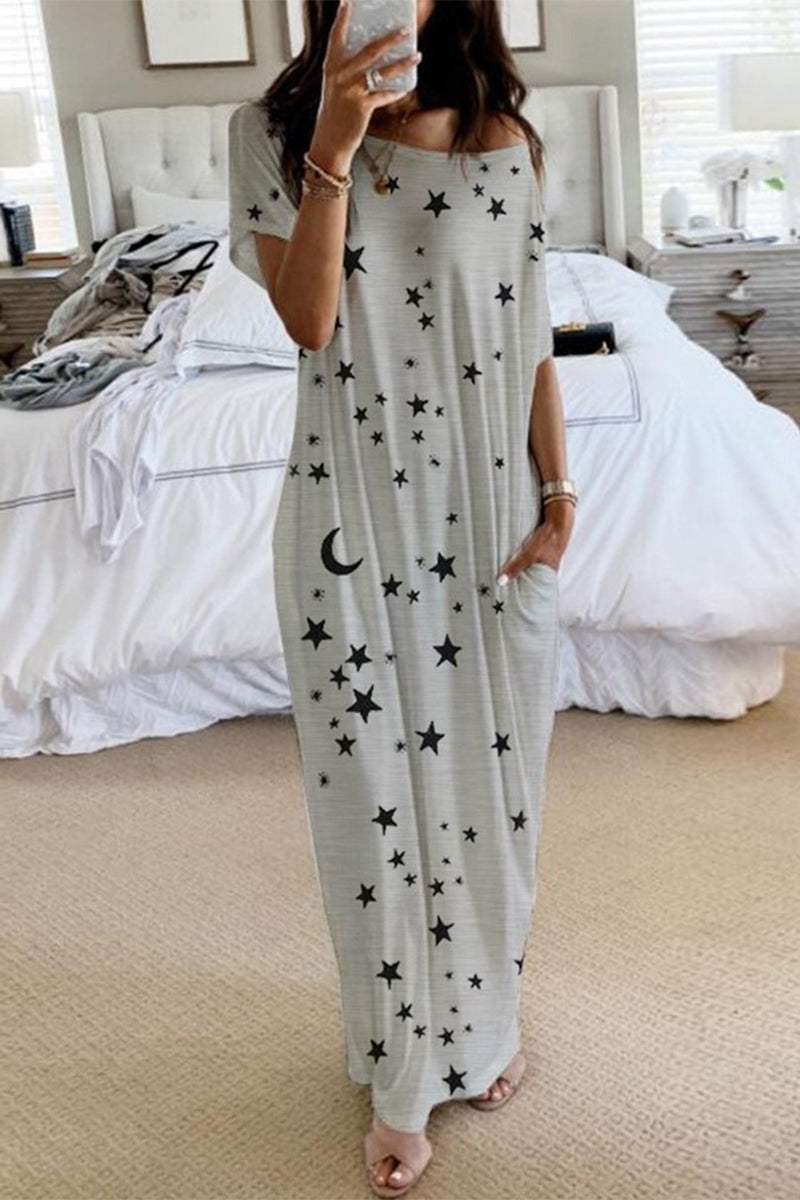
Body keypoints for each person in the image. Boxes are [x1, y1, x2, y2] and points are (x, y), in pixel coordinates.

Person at [227, 0, 577, 1193]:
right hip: (351, 513)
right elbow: (309, 320)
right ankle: (397, 1071)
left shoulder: (505, 137)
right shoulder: (269, 133)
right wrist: (333, 137)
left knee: (495, 793)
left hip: (488, 519)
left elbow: (529, 334)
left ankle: (483, 1025)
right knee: (372, 801)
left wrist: (559, 493)